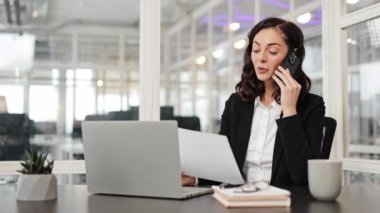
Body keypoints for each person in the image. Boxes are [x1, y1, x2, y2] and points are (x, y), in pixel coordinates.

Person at [182, 17, 325, 187]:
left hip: (285, 203)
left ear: (292, 58)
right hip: (238, 199)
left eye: (272, 52)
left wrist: (289, 111)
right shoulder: (236, 104)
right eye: (256, 50)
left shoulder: (311, 106)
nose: (261, 58)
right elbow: (224, 165)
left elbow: (303, 176)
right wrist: (195, 178)